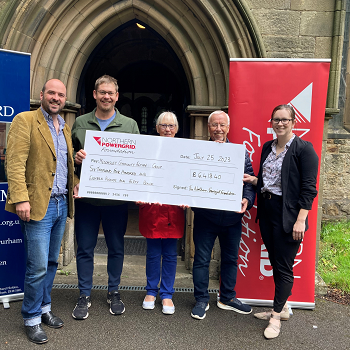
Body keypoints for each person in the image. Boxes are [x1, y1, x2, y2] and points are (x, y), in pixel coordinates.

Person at [5, 79, 79, 344]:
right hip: (37, 205)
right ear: (42, 95)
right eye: (52, 93)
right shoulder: (25, 120)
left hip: (61, 203)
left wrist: (75, 184)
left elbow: (64, 165)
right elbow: (14, 163)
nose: (56, 98)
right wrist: (21, 199)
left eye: (61, 94)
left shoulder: (65, 128)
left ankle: (45, 308)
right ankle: (31, 318)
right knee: (36, 267)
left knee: (50, 263)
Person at [243, 104, 318, 339]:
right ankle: (283, 307)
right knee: (276, 261)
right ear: (272, 122)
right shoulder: (267, 147)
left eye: (285, 119)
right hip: (267, 211)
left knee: (284, 266)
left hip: (289, 215)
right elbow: (270, 180)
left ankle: (276, 317)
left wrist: (300, 221)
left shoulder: (304, 150)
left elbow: (308, 189)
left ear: (294, 122)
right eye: (276, 119)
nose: (280, 123)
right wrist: (254, 180)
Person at [71, 75, 139, 320]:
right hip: (88, 200)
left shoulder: (130, 125)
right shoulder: (80, 122)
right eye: (102, 92)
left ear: (117, 96)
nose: (106, 97)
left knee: (116, 248)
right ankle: (84, 294)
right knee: (85, 248)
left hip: (115, 202)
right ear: (95, 94)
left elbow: (138, 161)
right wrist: (75, 161)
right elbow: (67, 158)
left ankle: (114, 291)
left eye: (111, 93)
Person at [190, 110, 256, 320]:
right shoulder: (196, 151)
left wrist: (248, 199)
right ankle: (201, 299)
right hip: (205, 218)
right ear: (208, 128)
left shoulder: (240, 153)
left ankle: (227, 297)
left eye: (222, 125)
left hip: (232, 218)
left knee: (230, 259)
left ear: (228, 128)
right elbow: (187, 178)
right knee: (201, 260)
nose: (218, 129)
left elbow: (249, 181)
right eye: (214, 125)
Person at [138, 112, 186, 315]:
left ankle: (167, 294)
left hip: (174, 210)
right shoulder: (147, 149)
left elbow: (191, 177)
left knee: (170, 254)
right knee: (152, 253)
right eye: (163, 125)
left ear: (177, 129)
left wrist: (189, 196)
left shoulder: (186, 151)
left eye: (171, 126)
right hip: (152, 209)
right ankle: (151, 291)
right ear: (157, 128)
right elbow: (138, 173)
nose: (167, 129)